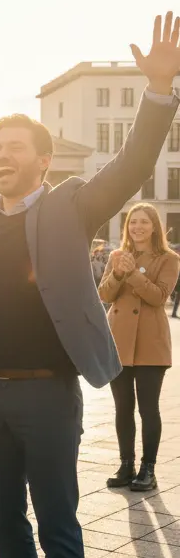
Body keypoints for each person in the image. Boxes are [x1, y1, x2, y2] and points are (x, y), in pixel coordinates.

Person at [0, 15, 180, 558]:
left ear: (43, 160)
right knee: (3, 519)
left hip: (47, 395)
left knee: (57, 522)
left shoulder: (69, 205)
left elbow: (130, 168)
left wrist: (156, 91)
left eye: (12, 147)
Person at [99, 203, 179, 492]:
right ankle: (126, 464)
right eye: (133, 222)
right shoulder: (117, 256)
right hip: (118, 340)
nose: (138, 227)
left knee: (148, 408)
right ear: (127, 227)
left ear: (155, 227)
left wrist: (132, 274)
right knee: (122, 407)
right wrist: (119, 273)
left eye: (144, 222)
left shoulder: (168, 258)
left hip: (150, 342)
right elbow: (105, 294)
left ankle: (148, 468)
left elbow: (159, 297)